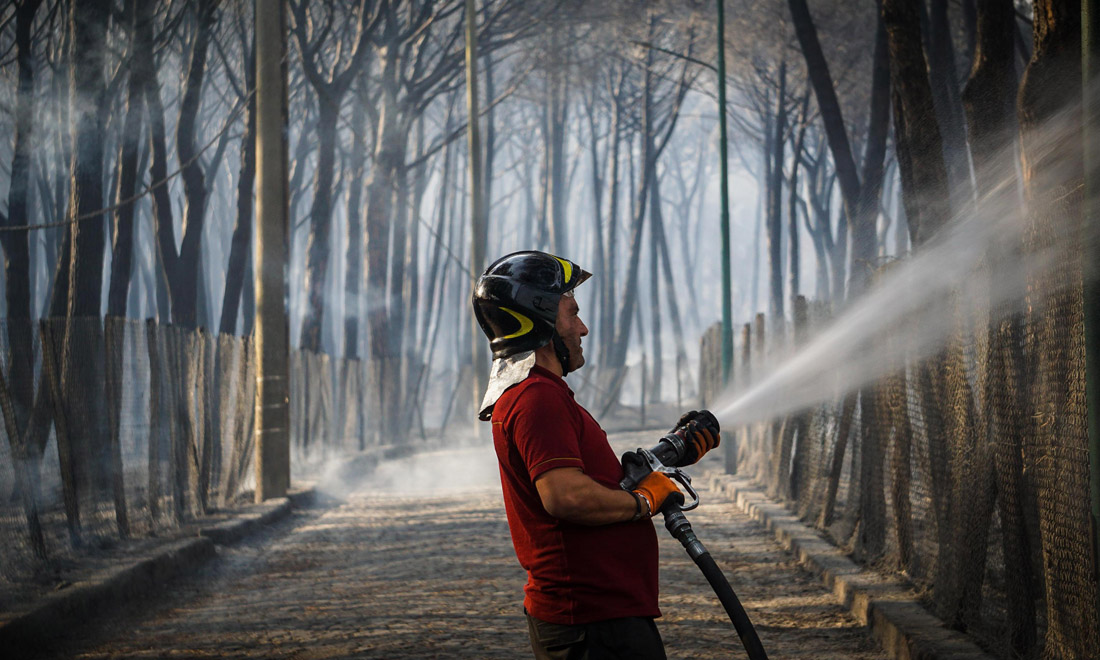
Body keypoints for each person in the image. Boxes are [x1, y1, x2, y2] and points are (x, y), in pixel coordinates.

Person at [472, 250, 720, 660]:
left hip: (596, 616)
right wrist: (644, 500)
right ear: (542, 320)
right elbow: (566, 496)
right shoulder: (536, 399)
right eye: (572, 314)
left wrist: (664, 459)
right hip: (591, 624)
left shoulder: (537, 395)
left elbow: (588, 480)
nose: (583, 329)